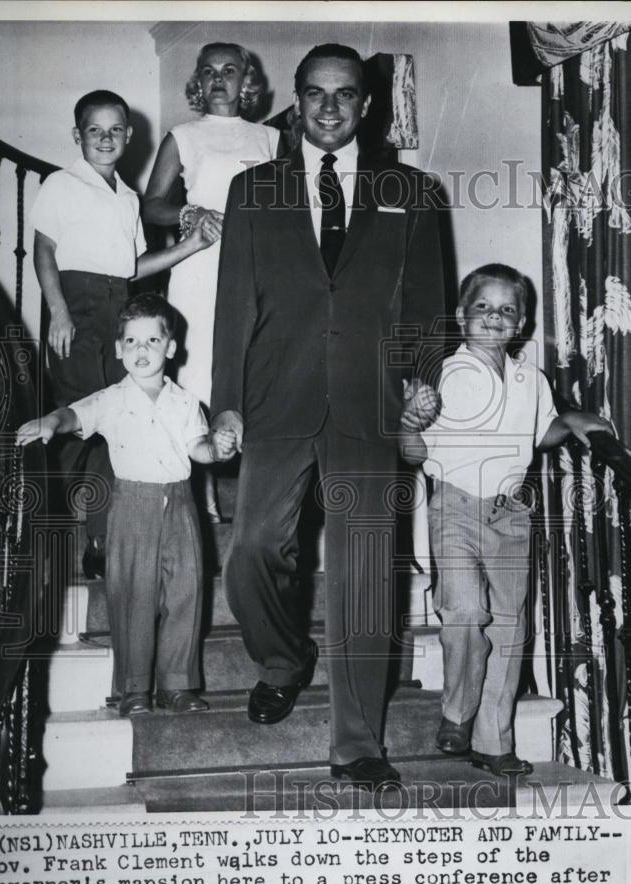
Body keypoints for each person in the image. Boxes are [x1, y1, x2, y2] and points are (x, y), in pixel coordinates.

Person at [210, 44, 445, 791]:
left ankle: (356, 744)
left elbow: (426, 309)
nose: (330, 108)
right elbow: (232, 309)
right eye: (315, 94)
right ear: (296, 101)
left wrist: (419, 387)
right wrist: (225, 402)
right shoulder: (252, 191)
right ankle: (283, 659)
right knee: (250, 549)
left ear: (365, 103)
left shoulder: (414, 192)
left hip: (369, 402)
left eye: (344, 95)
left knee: (364, 574)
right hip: (276, 397)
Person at [400, 263, 614, 777]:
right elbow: (413, 453)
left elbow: (538, 435)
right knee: (466, 610)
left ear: (521, 322)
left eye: (507, 310)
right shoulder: (443, 375)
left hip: (511, 512)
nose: (495, 318)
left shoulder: (530, 378)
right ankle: (456, 712)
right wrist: (409, 419)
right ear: (460, 316)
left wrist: (568, 420)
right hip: (454, 504)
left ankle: (493, 741)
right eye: (483, 307)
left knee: (511, 628)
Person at [17, 293, 236, 717]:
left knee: (185, 594)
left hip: (182, 507)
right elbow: (73, 416)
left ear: (170, 348)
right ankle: (135, 688)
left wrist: (219, 447)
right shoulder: (111, 399)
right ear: (119, 349)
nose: (142, 350)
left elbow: (199, 449)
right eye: (132, 342)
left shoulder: (186, 403)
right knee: (133, 597)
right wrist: (50, 422)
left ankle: (177, 685)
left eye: (152, 341)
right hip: (132, 505)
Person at [30, 89, 220, 578]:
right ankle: (40, 530)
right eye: (95, 130)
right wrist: (59, 313)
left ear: (129, 136)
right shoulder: (60, 184)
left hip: (119, 308)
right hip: (77, 306)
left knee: (118, 416)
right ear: (78, 135)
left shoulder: (130, 197)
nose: (106, 138)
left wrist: (193, 245)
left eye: (115, 129)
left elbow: (133, 267)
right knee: (73, 419)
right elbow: (45, 252)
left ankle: (99, 538)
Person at [144, 42, 279, 519]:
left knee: (251, 371)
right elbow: (152, 203)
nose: (218, 78)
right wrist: (189, 210)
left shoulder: (270, 139)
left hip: (255, 268)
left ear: (247, 82)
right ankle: (198, 495)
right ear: (198, 84)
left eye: (229, 70)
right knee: (197, 374)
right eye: (208, 71)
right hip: (200, 266)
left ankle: (256, 495)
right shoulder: (184, 134)